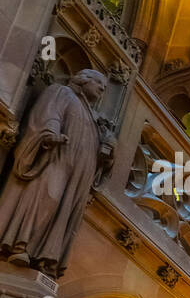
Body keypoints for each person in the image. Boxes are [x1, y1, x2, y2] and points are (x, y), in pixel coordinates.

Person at [0, 69, 111, 275]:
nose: (102, 89)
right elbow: (50, 113)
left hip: (79, 174)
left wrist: (107, 152)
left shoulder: (94, 117)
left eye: (104, 87)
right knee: (47, 197)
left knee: (65, 212)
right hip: (57, 158)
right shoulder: (62, 92)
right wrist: (50, 133)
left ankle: (44, 258)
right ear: (83, 79)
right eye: (98, 83)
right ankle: (19, 244)